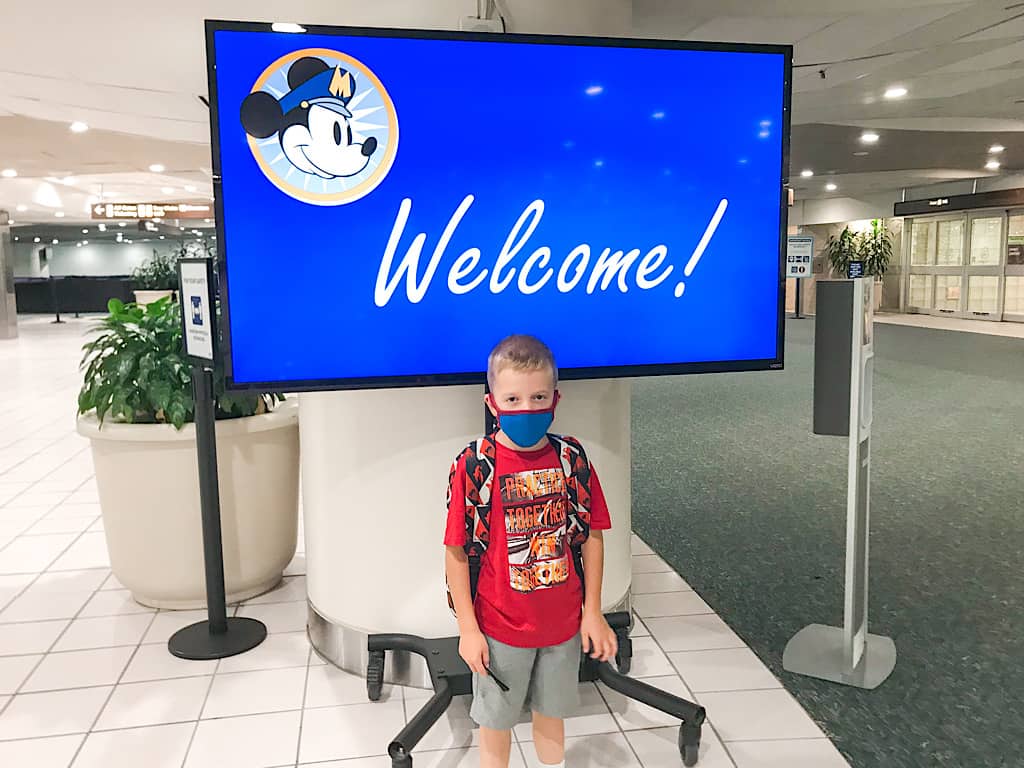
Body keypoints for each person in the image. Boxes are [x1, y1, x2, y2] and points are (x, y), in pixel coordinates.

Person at [444, 334, 618, 768]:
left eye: (538, 397)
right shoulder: (473, 466)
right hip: (500, 628)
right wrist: (468, 628)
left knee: (551, 718)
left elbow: (591, 536)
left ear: (556, 397)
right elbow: (456, 552)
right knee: (495, 726)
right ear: (492, 403)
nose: (527, 409)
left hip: (562, 626)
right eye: (513, 399)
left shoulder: (572, 459)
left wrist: (591, 611)